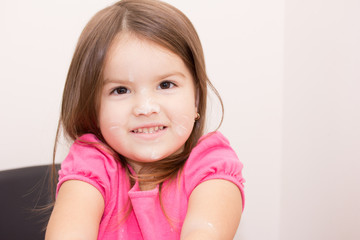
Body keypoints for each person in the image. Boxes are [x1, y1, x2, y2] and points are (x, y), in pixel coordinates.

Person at [45, 0, 245, 239]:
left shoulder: (211, 164)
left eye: (165, 84)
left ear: (196, 98)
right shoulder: (91, 164)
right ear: (93, 107)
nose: (145, 108)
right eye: (120, 90)